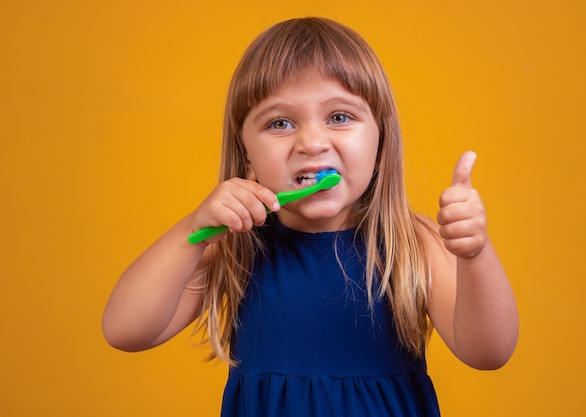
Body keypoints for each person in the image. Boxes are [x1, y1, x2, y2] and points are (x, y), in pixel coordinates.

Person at [102, 17, 518, 416]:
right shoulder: (232, 245)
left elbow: (488, 353)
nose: (313, 142)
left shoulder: (412, 243)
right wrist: (190, 232)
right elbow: (125, 332)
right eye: (280, 123)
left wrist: (474, 255)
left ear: (381, 145)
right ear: (247, 155)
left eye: (340, 117)